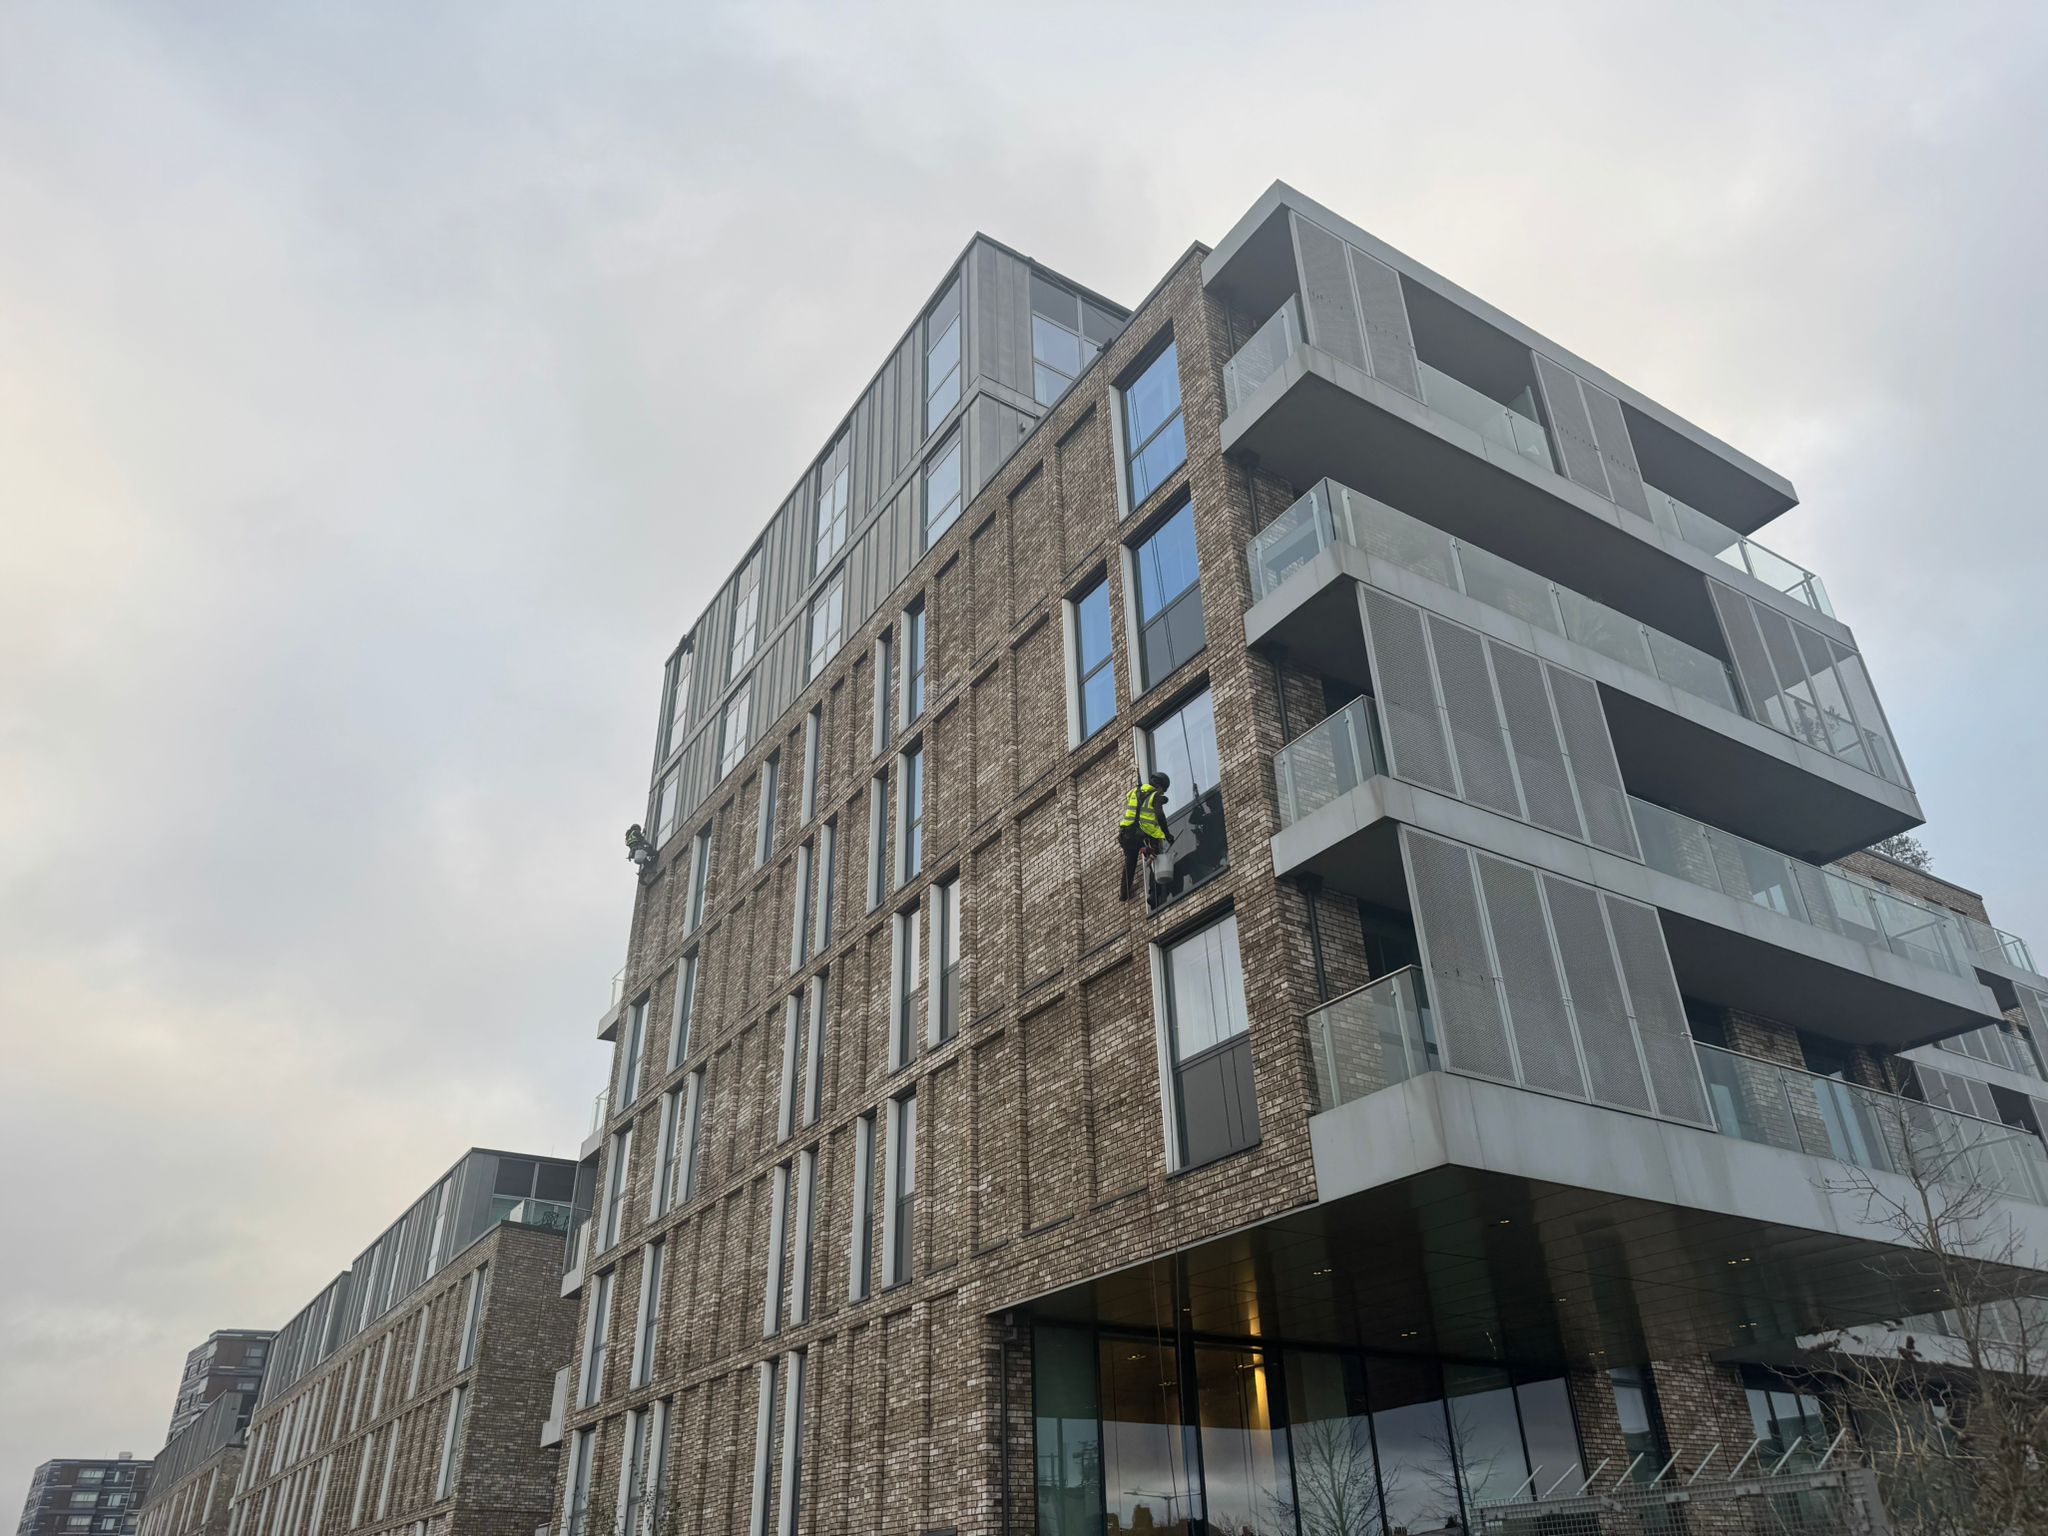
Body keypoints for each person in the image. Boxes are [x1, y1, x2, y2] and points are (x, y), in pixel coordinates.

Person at [1118, 770, 1170, 901]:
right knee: (1155, 856)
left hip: (1126, 835)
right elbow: (1159, 815)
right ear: (1160, 787)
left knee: (1130, 862)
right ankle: (1154, 894)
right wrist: (1167, 833)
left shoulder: (1135, 792)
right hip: (1140, 836)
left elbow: (1138, 804)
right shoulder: (1155, 795)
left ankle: (1124, 894)